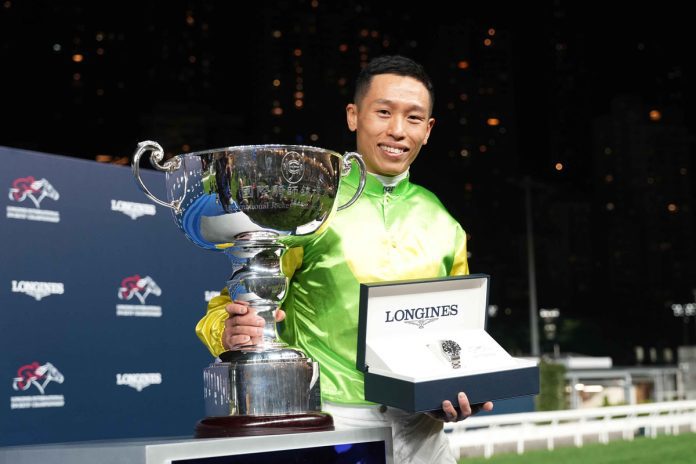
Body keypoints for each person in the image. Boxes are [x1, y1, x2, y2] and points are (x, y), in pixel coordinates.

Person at [196, 55, 493, 463]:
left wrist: (461, 391)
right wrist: (231, 333)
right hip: (336, 427)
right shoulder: (309, 206)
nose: (397, 131)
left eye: (413, 118)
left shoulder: (445, 223)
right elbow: (225, 310)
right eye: (383, 112)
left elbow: (456, 338)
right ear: (354, 116)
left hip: (425, 435)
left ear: (428, 130)